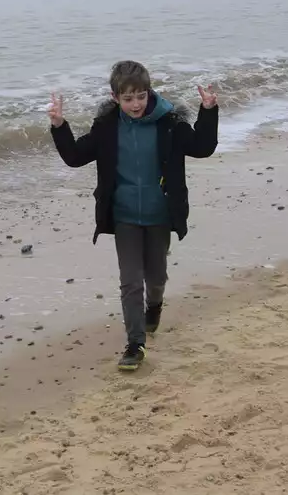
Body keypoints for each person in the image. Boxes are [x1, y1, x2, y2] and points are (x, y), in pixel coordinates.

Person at [48, 60, 218, 371]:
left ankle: (155, 306)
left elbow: (203, 148)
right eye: (128, 98)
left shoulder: (169, 122)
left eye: (140, 96)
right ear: (115, 98)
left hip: (160, 214)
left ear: (148, 92)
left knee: (155, 278)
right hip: (124, 215)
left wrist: (208, 111)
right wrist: (59, 125)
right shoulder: (107, 127)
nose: (135, 104)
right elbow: (74, 157)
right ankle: (134, 343)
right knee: (130, 281)